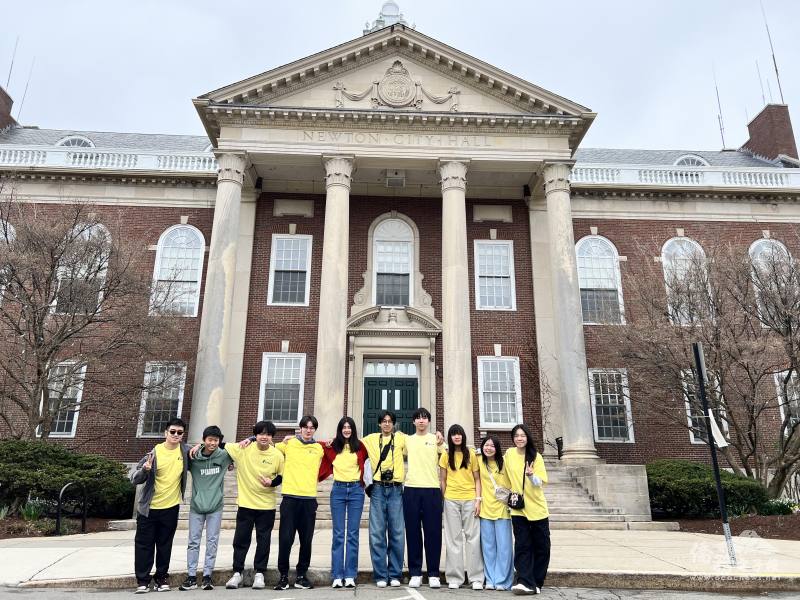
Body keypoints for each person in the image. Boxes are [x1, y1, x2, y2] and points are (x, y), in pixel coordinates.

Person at [223, 421, 285, 590]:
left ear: (272, 437)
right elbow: (218, 444)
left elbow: (281, 476)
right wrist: (195, 448)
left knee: (263, 540)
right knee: (241, 540)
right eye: (260, 434)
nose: (264, 437)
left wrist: (271, 483)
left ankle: (260, 573)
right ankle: (237, 573)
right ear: (255, 435)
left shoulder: (277, 455)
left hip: (266, 506)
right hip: (245, 504)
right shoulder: (243, 449)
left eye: (268, 434)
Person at [130, 417, 190, 593]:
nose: (176, 435)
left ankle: (162, 578)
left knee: (165, 545)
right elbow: (134, 479)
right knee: (144, 545)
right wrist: (145, 470)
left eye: (180, 433)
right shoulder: (153, 453)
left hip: (170, 508)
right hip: (149, 509)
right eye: (172, 432)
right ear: (166, 433)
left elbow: (206, 451)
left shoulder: (185, 452)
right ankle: (143, 580)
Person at [274, 415, 325, 590]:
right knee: (286, 539)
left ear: (315, 430)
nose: (308, 430)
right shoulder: (289, 444)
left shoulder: (319, 448)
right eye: (305, 427)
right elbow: (266, 444)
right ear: (300, 428)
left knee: (306, 540)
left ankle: (301, 576)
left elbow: (335, 445)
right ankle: (283, 576)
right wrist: (250, 438)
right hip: (290, 499)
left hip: (309, 500)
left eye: (312, 427)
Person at [179, 425, 233, 591]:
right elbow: (179, 448)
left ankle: (207, 576)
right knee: (193, 542)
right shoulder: (193, 457)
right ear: (204, 440)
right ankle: (191, 577)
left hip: (215, 506)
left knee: (212, 542)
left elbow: (243, 446)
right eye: (210, 440)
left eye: (216, 440)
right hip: (197, 506)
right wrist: (194, 447)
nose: (213, 443)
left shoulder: (224, 456)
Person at [318, 417, 369, 589]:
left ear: (353, 429)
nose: (347, 430)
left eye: (349, 427)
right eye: (344, 427)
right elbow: (312, 443)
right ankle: (337, 575)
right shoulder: (332, 446)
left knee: (353, 535)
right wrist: (292, 438)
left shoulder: (360, 447)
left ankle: (350, 575)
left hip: (356, 491)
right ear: (339, 430)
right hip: (338, 491)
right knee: (339, 534)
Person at [361, 410, 407, 588]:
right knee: (377, 533)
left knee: (397, 533)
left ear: (394, 424)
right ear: (379, 424)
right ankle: (381, 575)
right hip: (378, 490)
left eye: (390, 421)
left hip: (396, 489)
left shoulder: (402, 439)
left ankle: (395, 574)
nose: (387, 424)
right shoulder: (370, 439)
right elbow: (349, 442)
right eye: (384, 421)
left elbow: (421, 443)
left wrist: (440, 440)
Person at [402, 407, 444, 589]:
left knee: (433, 533)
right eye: (418, 418)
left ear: (429, 421)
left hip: (432, 490)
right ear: (413, 422)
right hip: (411, 489)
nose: (421, 421)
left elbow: (452, 453)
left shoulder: (436, 440)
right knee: (412, 533)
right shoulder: (407, 440)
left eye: (424, 418)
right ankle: (415, 573)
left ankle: (434, 573)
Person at [505, 424, 549, 596]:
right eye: (516, 435)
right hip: (518, 507)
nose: (519, 438)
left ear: (528, 437)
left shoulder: (535, 457)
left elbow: (541, 482)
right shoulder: (509, 454)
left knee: (542, 547)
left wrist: (531, 476)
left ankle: (537, 582)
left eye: (522, 435)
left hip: (537, 508)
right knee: (523, 545)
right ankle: (524, 581)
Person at [439, 424, 483, 590]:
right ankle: (455, 577)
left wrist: (478, 499)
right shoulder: (446, 455)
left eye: (459, 434)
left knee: (473, 538)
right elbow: (442, 479)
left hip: (470, 499)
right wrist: (444, 498)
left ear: (463, 436)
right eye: (453, 435)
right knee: (453, 539)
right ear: (450, 438)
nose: (457, 437)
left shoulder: (471, 454)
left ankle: (476, 578)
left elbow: (477, 479)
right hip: (451, 499)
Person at [477, 435, 514, 591]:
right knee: (488, 547)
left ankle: (502, 580)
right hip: (485, 509)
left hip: (502, 509)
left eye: (492, 446)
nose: (489, 448)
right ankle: (490, 579)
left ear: (497, 448)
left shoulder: (505, 463)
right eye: (486, 445)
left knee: (504, 547)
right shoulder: (479, 460)